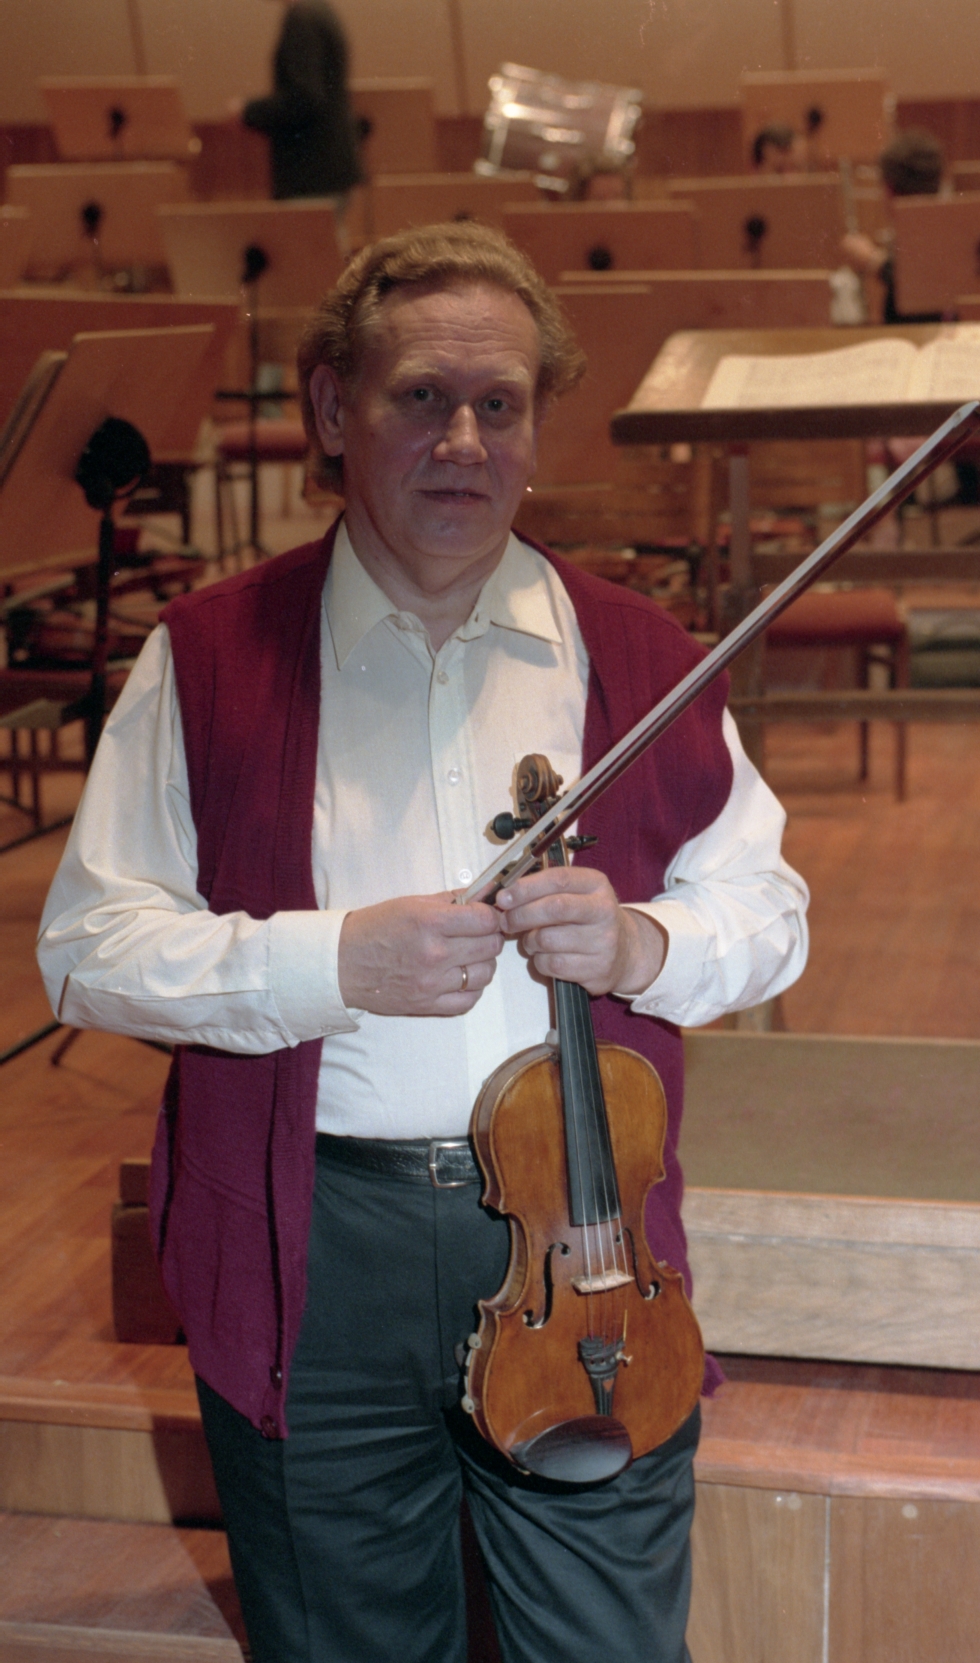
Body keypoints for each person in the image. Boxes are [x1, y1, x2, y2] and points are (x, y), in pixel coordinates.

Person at [37, 222, 808, 1663]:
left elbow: (769, 914)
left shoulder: (642, 656)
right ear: (334, 409)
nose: (463, 441)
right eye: (420, 398)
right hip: (315, 1248)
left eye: (499, 404)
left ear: (537, 424)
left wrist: (642, 942)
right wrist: (329, 965)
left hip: (589, 1249)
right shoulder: (205, 655)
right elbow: (87, 949)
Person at [239, 0, 362, 202]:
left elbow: (304, 99)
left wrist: (247, 111)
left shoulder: (302, 18)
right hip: (328, 165)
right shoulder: (319, 11)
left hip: (310, 170)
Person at [841, 129, 945, 324]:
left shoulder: (923, 237)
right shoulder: (949, 227)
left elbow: (921, 283)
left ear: (888, 189)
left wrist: (874, 261)